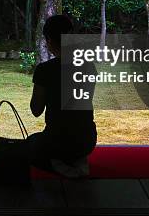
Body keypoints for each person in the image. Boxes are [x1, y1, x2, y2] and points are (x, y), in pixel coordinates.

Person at [27, 15, 97, 177]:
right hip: (87, 140)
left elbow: (36, 110)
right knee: (69, 140)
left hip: (56, 140)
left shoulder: (45, 70)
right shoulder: (88, 66)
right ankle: (76, 159)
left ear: (49, 40)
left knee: (30, 144)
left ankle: (57, 163)